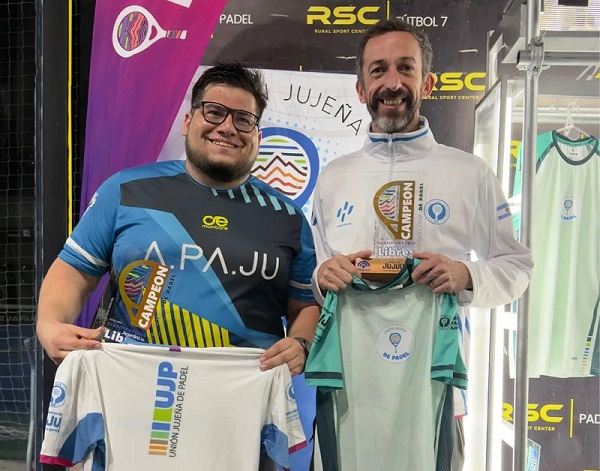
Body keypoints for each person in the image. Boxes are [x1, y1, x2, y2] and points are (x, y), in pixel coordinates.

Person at [36, 62, 319, 469]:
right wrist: (49, 325)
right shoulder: (126, 190)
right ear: (188, 122)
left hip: (239, 415)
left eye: (243, 119)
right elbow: (73, 270)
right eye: (214, 112)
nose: (227, 127)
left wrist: (301, 343)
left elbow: (305, 305)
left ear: (257, 136)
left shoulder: (288, 218)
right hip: (133, 404)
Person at [308, 19, 533, 471]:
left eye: (406, 68)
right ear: (361, 89)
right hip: (350, 391)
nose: (392, 83)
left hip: (434, 388)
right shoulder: (334, 177)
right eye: (378, 70)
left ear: (427, 83)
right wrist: (321, 276)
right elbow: (319, 276)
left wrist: (466, 274)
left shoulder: (469, 173)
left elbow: (517, 267)